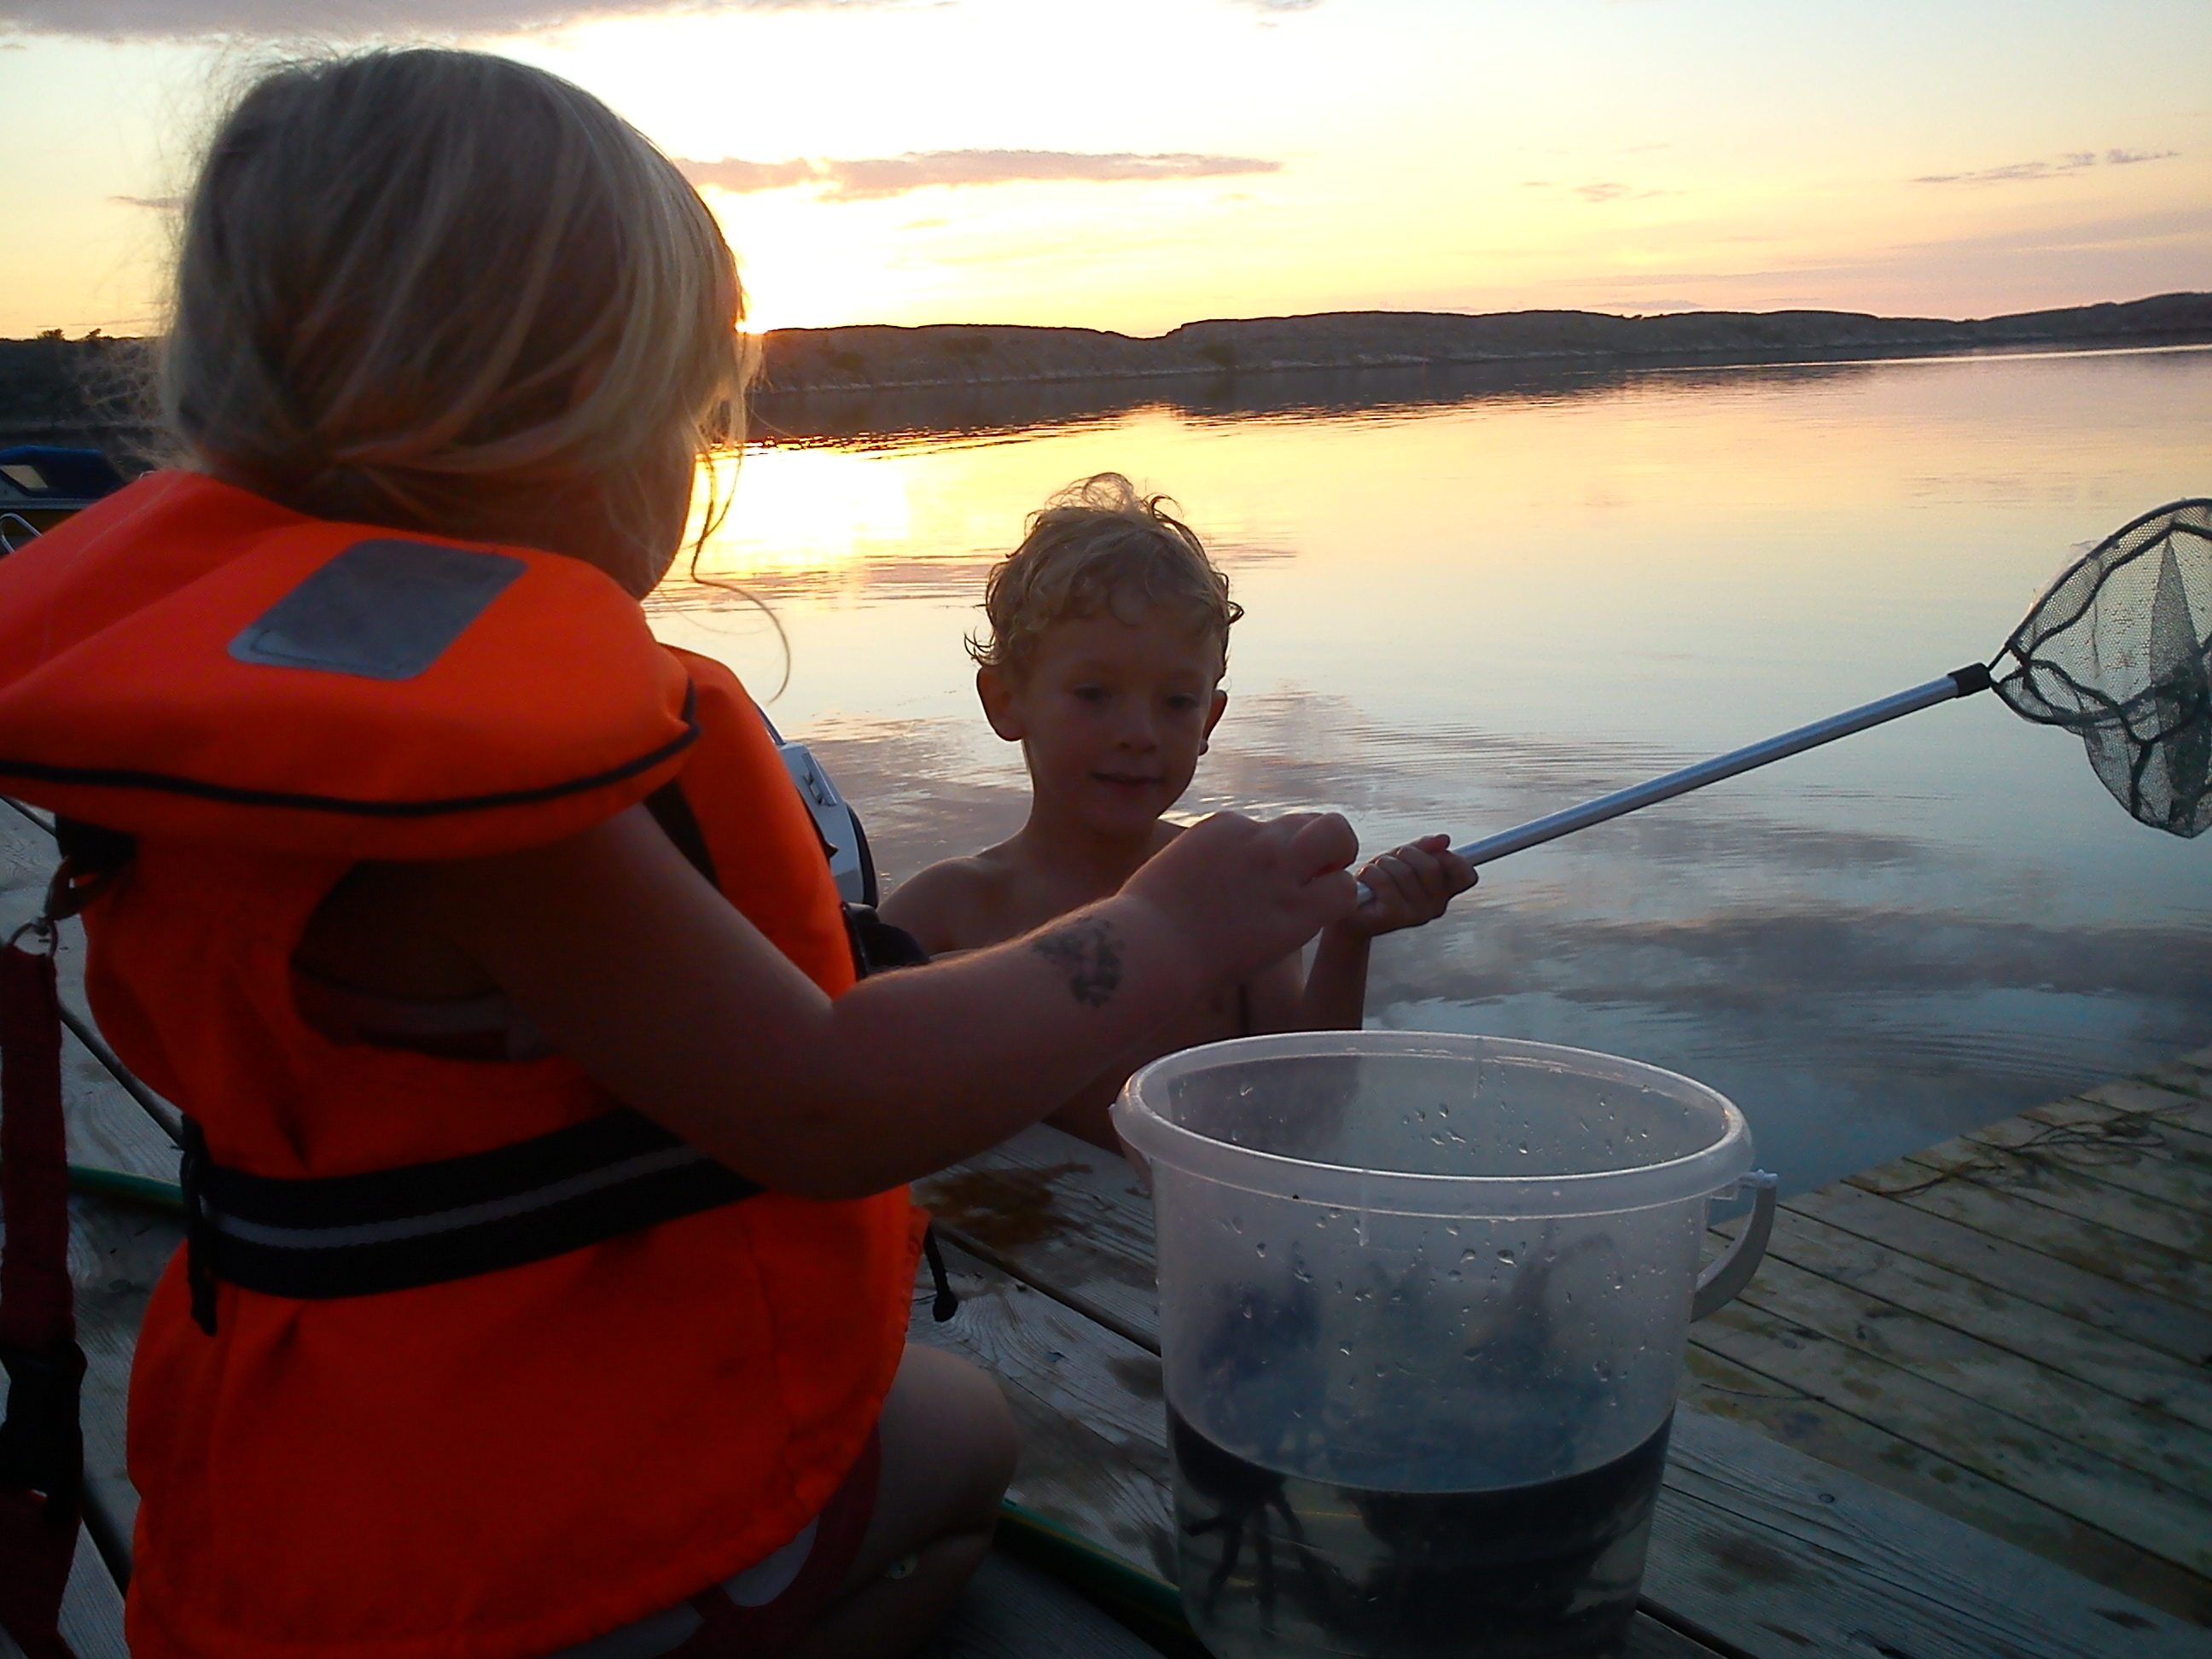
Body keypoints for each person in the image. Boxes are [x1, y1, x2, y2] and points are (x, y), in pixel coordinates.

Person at [0, 52, 1361, 1659]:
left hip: (305, 1472)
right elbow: (828, 1103)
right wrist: (1164, 925)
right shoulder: (492, 795)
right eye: (684, 409)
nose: (692, 462)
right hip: (501, 1555)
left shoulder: (270, 707)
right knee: (966, 1437)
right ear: (560, 410)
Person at [882, 475, 1477, 1148]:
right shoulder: (945, 913)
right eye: (1094, 694)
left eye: (1175, 702)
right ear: (1005, 701)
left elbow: (1307, 1120)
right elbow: (838, 1104)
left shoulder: (1236, 894)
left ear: (1210, 719)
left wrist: (1349, 935)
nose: (1139, 731)